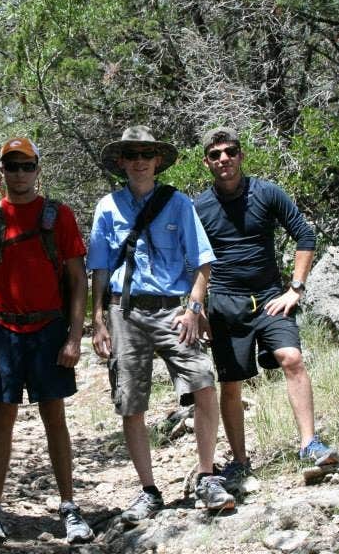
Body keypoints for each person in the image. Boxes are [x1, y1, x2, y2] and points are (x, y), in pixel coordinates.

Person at [87, 126, 234, 525]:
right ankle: (148, 490)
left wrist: (193, 308)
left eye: (146, 154)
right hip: (125, 311)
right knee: (131, 401)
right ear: (122, 162)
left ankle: (206, 476)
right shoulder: (107, 207)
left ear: (157, 161)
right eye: (131, 154)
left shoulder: (179, 204)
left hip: (174, 310)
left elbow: (203, 262)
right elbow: (99, 268)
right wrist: (97, 320)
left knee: (204, 382)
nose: (139, 161)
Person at [0, 137, 94, 544]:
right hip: (2, 330)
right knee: (3, 419)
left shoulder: (59, 216)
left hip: (48, 330)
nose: (19, 174)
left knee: (55, 418)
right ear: (1, 171)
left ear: (38, 169)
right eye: (11, 166)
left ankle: (69, 506)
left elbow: (77, 280)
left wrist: (74, 336)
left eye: (26, 165)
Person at [194, 126, 339, 492]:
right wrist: (197, 309)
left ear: (241, 155)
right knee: (230, 383)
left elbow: (305, 235)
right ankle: (240, 463)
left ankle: (309, 444)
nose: (224, 159)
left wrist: (296, 288)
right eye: (216, 154)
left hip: (271, 297)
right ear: (207, 162)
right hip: (226, 304)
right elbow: (193, 260)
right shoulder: (199, 208)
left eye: (230, 151)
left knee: (292, 358)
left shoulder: (267, 192)